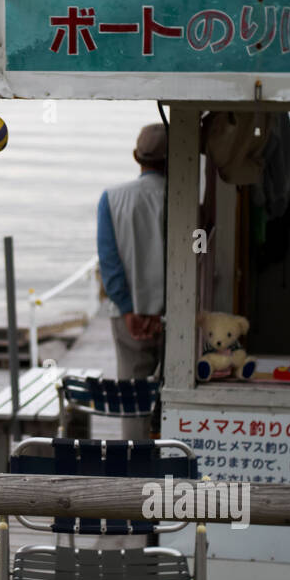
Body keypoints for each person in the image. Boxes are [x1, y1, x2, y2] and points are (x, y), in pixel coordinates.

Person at [96, 122, 166, 436]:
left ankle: (135, 466)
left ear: (137, 157)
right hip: (174, 316)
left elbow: (109, 263)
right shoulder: (189, 197)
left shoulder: (111, 198)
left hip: (128, 318)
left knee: (134, 400)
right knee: (174, 397)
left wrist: (127, 308)